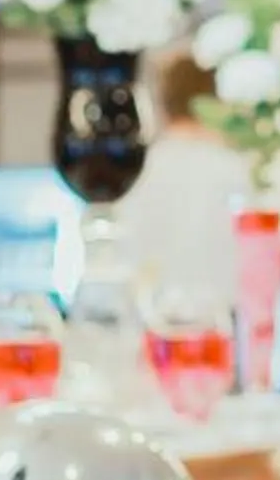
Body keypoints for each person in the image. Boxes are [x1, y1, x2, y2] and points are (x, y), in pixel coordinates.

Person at [106, 49, 248, 317]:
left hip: (153, 323)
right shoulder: (233, 168)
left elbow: (123, 257)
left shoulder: (138, 171)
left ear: (162, 100)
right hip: (221, 327)